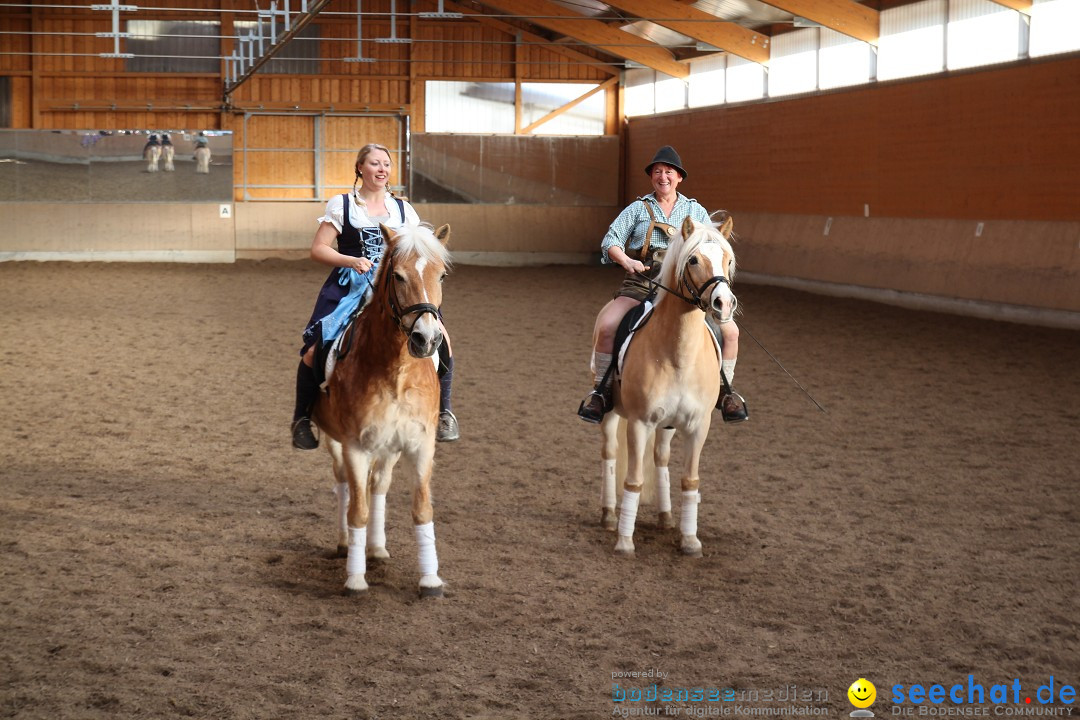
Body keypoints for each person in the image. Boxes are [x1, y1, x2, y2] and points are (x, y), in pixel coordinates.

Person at [291, 143, 460, 450]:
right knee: (316, 349)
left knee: (442, 340)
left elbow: (420, 251)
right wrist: (351, 260)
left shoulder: (403, 210)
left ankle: (445, 411)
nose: (382, 169)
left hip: (397, 287)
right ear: (360, 168)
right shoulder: (342, 206)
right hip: (352, 285)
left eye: (386, 164)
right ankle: (302, 418)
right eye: (374, 164)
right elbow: (318, 249)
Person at [576, 145, 748, 424]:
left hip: (686, 287)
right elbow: (611, 240)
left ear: (679, 177)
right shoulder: (637, 209)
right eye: (658, 172)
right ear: (652, 178)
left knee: (730, 333)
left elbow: (711, 245)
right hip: (642, 280)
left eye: (669, 172)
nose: (663, 176)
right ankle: (601, 391)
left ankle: (724, 391)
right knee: (608, 326)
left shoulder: (695, 210)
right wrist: (626, 261)